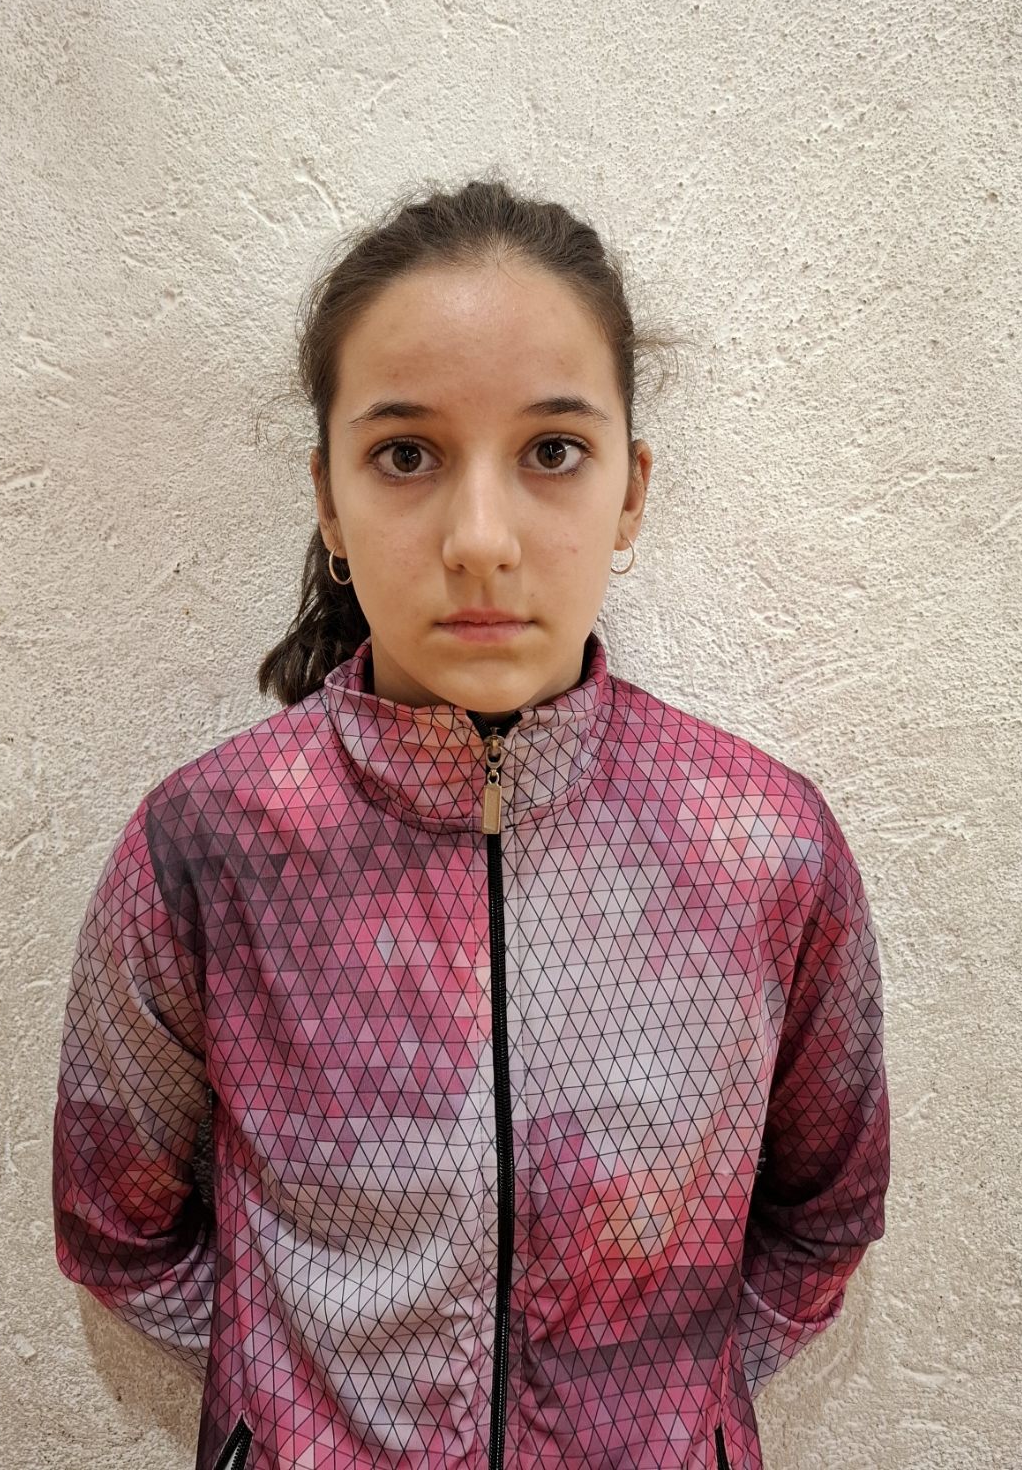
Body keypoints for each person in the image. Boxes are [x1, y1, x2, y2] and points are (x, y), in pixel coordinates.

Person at [51, 176, 890, 1470]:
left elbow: (822, 1215)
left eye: (552, 452)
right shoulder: (209, 847)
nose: (481, 539)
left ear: (629, 491)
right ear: (328, 499)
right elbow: (118, 1227)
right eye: (406, 456)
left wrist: (675, 1414)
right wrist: (291, 1417)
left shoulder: (761, 847)